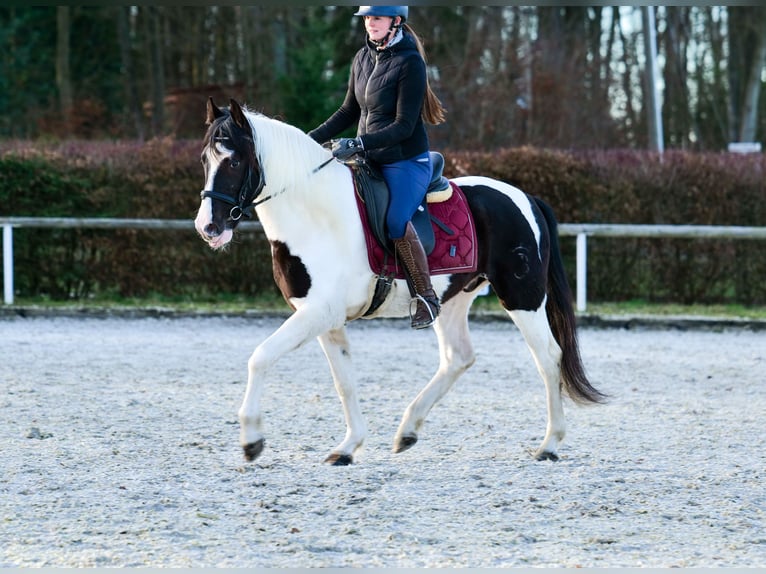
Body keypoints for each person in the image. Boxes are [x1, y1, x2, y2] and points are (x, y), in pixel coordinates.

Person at [308, 5, 447, 330]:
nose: (371, 23)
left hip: (405, 160)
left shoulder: (410, 63)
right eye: (368, 18)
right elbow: (347, 112)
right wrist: (306, 140)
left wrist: (357, 144)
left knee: (396, 221)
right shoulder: (362, 58)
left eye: (377, 18)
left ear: (395, 21)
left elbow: (403, 125)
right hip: (369, 158)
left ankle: (426, 296)